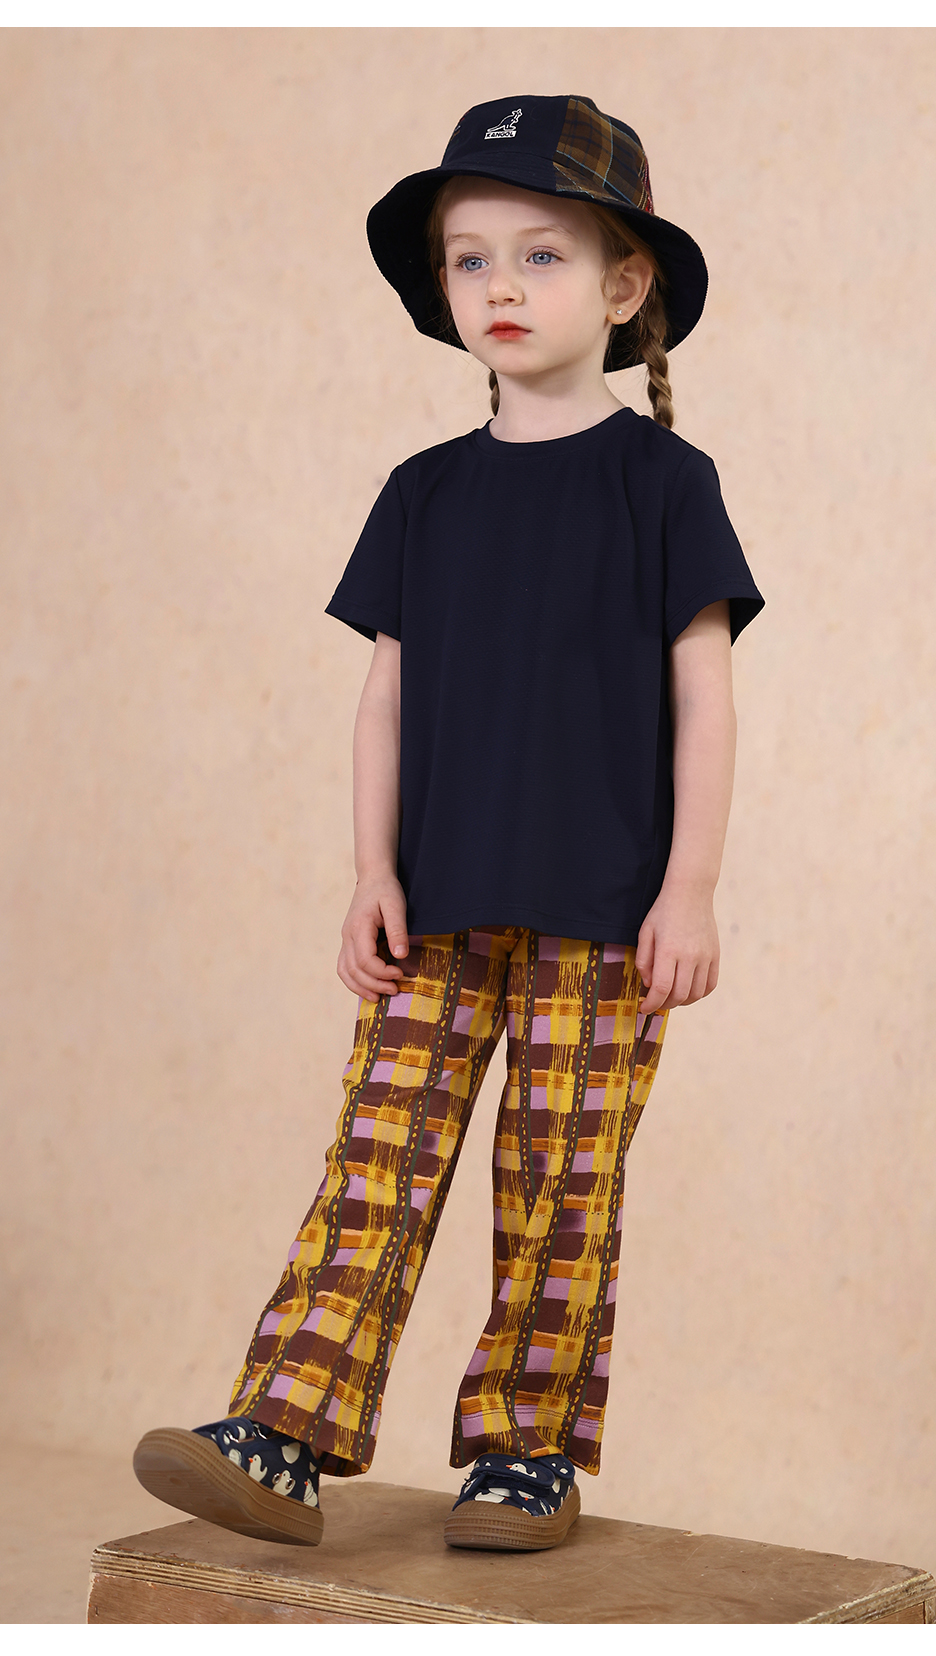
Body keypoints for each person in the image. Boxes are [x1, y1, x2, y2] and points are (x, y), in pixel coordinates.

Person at [133, 93, 764, 1555]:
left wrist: (690, 888)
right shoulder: (422, 494)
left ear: (624, 285)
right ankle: (283, 1433)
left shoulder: (667, 486)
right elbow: (385, 702)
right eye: (470, 258)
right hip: (435, 905)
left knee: (562, 1187)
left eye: (542, 254)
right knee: (377, 1165)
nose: (500, 284)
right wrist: (370, 871)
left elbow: (706, 701)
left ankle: (525, 1458)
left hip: (608, 918)